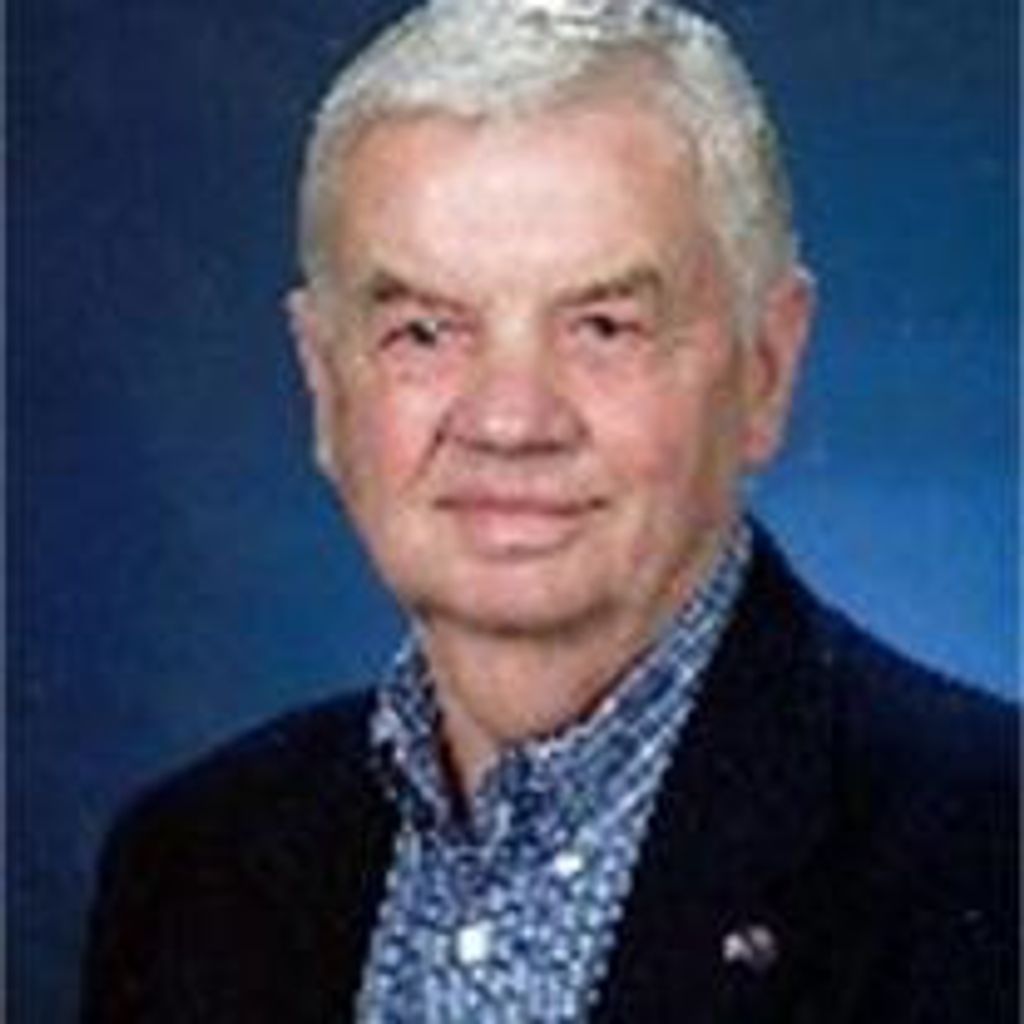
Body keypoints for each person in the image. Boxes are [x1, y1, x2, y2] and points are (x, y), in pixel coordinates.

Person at [81, 1, 1018, 1021]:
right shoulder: (189, 864)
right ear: (323, 381)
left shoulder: (987, 852)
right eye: (424, 331)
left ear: (766, 369)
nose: (510, 420)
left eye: (603, 327)